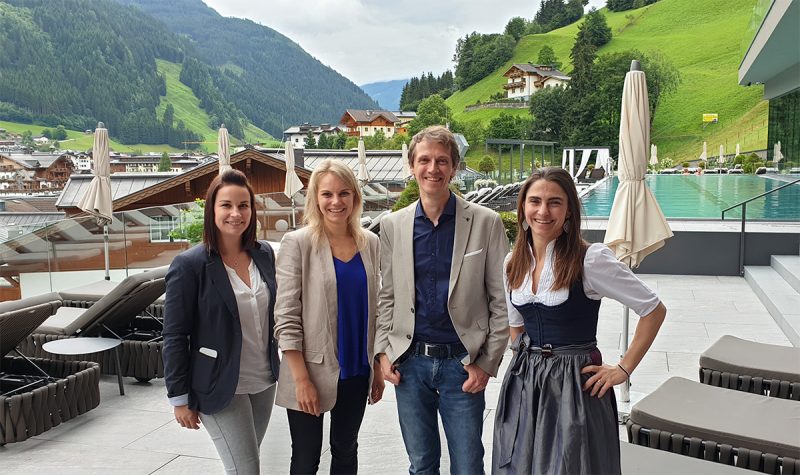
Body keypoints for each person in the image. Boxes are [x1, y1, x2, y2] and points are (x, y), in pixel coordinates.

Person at [492, 167, 667, 474]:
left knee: (571, 465)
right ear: (523, 208)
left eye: (555, 202)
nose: (543, 211)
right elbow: (515, 323)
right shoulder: (513, 262)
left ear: (569, 209)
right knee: (520, 463)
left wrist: (622, 369)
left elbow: (653, 309)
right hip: (526, 382)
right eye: (535, 201)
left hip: (574, 384)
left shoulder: (591, 259)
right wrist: (529, 360)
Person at [375, 125, 509, 474]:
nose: (432, 168)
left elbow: (502, 300)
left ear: (454, 167)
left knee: (467, 465)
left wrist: (487, 364)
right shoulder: (392, 226)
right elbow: (386, 296)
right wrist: (383, 352)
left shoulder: (486, 222)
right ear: (411, 166)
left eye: (441, 161)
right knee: (421, 465)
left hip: (461, 364)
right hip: (410, 364)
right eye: (424, 160)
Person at [163, 169, 280, 475]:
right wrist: (179, 398)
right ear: (212, 209)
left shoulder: (264, 254)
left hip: (264, 379)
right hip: (219, 384)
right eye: (226, 205)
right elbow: (174, 335)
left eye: (243, 205)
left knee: (245, 463)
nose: (235, 213)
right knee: (246, 470)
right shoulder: (190, 265)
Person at [274, 159, 384, 474]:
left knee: (346, 451)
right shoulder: (298, 243)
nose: (336, 202)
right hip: (309, 372)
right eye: (327, 194)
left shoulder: (370, 243)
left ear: (355, 198)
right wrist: (301, 380)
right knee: (307, 458)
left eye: (344, 193)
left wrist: (376, 365)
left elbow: (375, 310)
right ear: (316, 199)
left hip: (357, 371)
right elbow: (285, 316)